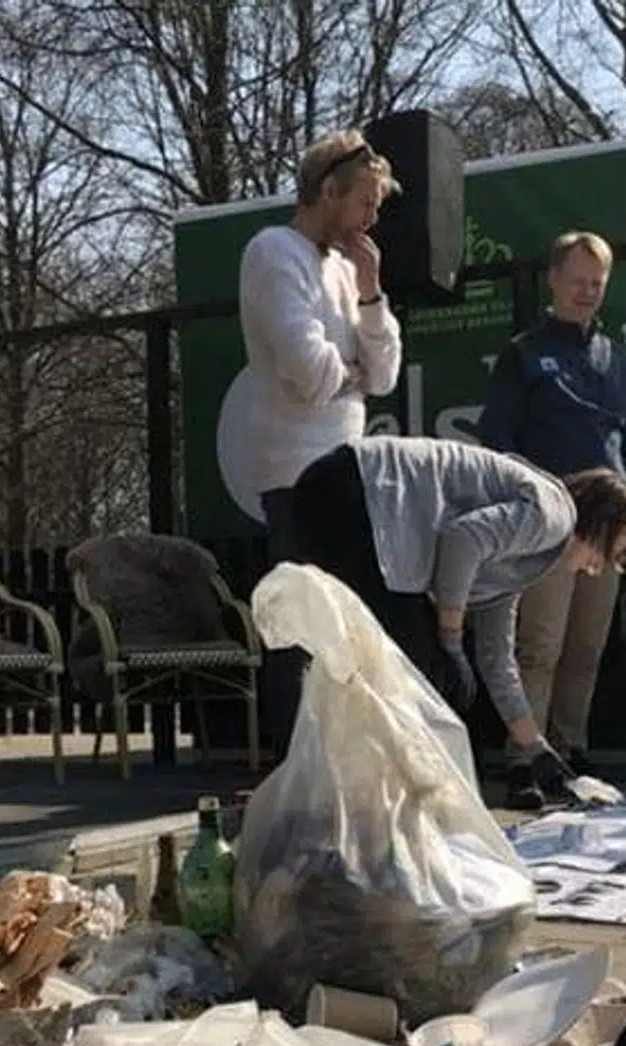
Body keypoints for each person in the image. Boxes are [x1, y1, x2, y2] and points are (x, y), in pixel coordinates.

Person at [286, 436, 626, 802]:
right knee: (413, 667)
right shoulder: (554, 517)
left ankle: (363, 797)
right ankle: (383, 802)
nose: (599, 568)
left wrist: (536, 748)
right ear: (599, 525)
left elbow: (497, 659)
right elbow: (463, 539)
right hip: (358, 493)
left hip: (345, 495)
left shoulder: (526, 558)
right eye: (611, 552)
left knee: (396, 667)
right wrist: (451, 635)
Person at [219, 129, 404, 761]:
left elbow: (383, 374)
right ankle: (294, 770)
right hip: (294, 475)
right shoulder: (274, 251)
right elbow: (311, 373)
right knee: (297, 628)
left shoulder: (344, 266)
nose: (371, 219)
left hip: (346, 469)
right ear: (328, 191)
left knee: (346, 626)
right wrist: (349, 375)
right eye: (364, 204)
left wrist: (372, 290)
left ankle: (339, 764)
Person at [478, 231, 626, 808]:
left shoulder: (619, 364)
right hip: (548, 526)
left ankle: (568, 751)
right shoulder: (522, 355)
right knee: (540, 646)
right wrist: (530, 508)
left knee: (586, 647)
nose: (586, 292)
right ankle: (525, 757)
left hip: (607, 531)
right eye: (577, 281)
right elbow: (496, 444)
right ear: (553, 279)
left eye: (597, 284)